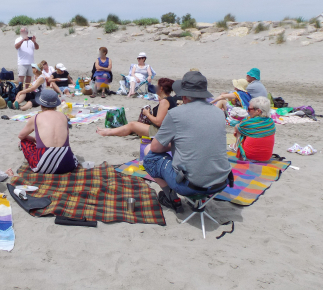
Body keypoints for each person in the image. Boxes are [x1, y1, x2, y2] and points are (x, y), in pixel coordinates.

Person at [143, 71, 232, 212]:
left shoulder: (176, 114)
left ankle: (172, 198)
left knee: (150, 157)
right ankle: (198, 201)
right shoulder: (218, 113)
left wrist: (176, 144)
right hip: (221, 181)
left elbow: (155, 147)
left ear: (183, 95)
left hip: (191, 185)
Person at [18, 89, 78, 174]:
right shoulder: (63, 116)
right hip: (67, 164)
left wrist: (33, 139)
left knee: (23, 141)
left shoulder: (36, 117)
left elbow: (21, 136)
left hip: (45, 165)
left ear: (41, 104)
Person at [97, 78, 176, 137]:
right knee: (133, 125)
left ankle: (107, 132)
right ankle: (109, 131)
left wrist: (147, 114)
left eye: (157, 86)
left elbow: (159, 122)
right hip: (166, 130)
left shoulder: (164, 102)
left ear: (161, 89)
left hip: (159, 132)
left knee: (132, 125)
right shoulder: (170, 99)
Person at [234, 96, 275, 162]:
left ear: (258, 111)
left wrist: (237, 127)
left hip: (250, 157)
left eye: (249, 109)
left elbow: (238, 127)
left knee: (237, 127)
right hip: (266, 157)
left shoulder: (248, 123)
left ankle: (237, 147)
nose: (247, 111)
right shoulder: (270, 122)